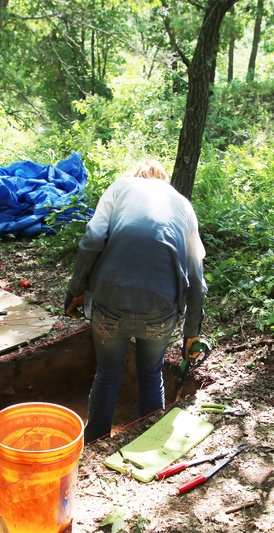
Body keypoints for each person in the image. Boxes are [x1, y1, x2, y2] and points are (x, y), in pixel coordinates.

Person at [65, 159, 208, 442]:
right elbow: (197, 280)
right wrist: (192, 333)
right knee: (150, 374)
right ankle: (148, 442)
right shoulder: (182, 206)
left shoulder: (120, 188)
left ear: (136, 177)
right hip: (160, 308)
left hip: (109, 301)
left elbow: (91, 243)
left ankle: (95, 441)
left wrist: (76, 290)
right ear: (163, 181)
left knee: (107, 373)